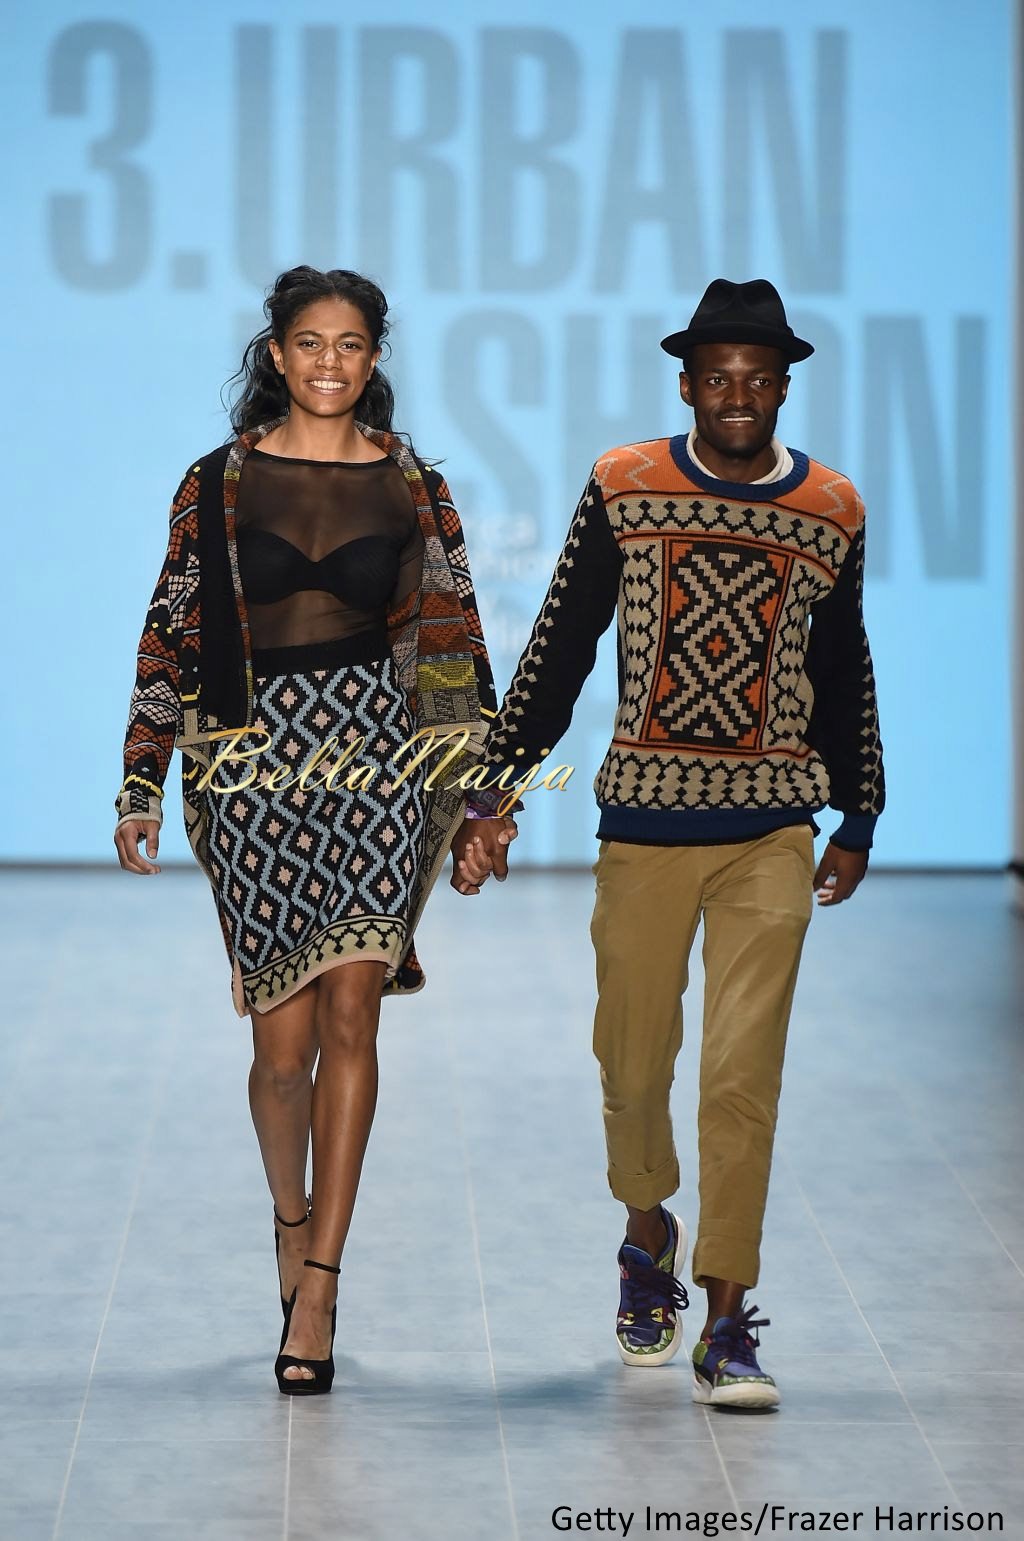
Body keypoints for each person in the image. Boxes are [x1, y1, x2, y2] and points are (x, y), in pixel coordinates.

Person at [462, 279, 885, 1410]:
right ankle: (647, 1226)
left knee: (743, 1075)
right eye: (719, 377)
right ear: (687, 384)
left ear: (783, 387)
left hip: (773, 826)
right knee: (634, 1059)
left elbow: (842, 661)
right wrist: (493, 792)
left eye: (759, 378)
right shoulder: (624, 484)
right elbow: (563, 644)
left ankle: (727, 1315)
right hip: (645, 821)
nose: (739, 395)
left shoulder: (832, 506)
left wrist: (859, 812)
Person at [113, 266, 516, 1395]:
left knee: (353, 1012)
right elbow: (169, 631)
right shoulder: (217, 482)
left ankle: (324, 1280)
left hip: (380, 761)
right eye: (309, 342)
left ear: (373, 357)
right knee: (279, 1053)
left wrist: (481, 802)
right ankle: (289, 1222)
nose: (329, 361)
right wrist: (141, 781)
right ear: (277, 353)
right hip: (249, 767)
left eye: (350, 343)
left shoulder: (414, 485)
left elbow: (452, 643)